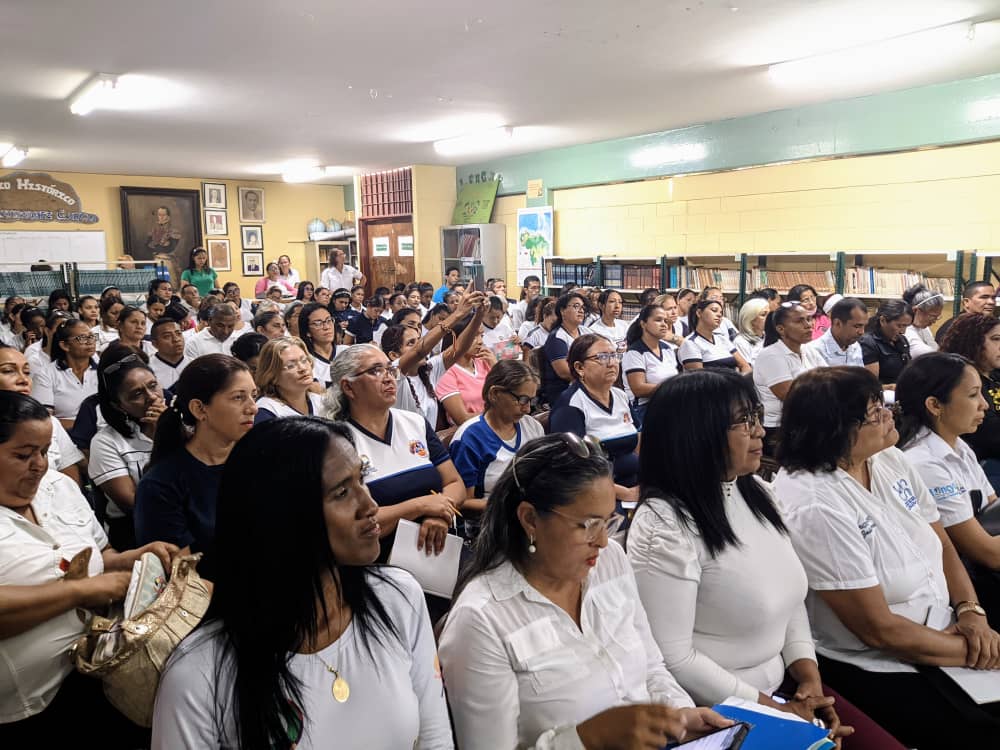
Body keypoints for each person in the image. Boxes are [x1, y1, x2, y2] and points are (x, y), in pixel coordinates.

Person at [152, 417, 452, 748]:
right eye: (342, 492)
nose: (370, 506)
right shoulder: (198, 673)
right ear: (281, 516)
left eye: (362, 479)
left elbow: (435, 738)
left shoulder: (398, 596)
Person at [439, 433, 732, 750]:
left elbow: (651, 667)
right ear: (530, 519)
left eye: (608, 522)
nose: (603, 541)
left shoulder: (609, 562)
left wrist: (678, 715)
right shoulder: (482, 620)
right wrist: (587, 738)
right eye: (589, 525)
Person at [628, 370, 863, 746]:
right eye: (744, 420)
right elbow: (673, 657)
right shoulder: (664, 525)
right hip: (710, 715)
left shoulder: (758, 493)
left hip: (780, 694)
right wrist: (776, 712)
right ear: (698, 433)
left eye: (756, 416)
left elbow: (790, 599)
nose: (760, 431)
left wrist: (808, 679)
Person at [774, 366, 1000, 748]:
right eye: (874, 412)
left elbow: (942, 543)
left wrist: (970, 612)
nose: (888, 414)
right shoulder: (815, 504)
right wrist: (981, 652)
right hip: (877, 660)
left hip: (944, 627)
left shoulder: (888, 458)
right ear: (836, 430)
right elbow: (878, 630)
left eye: (883, 404)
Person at [0, 391, 176, 746]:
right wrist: (79, 592)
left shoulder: (58, 487)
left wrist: (134, 557)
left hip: (100, 673)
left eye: (44, 451)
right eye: (23, 455)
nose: (39, 465)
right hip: (25, 704)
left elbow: (99, 554)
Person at [321, 345, 464, 566]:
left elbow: (454, 482)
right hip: (377, 564)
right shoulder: (336, 442)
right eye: (375, 371)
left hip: (438, 555)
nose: (388, 378)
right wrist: (419, 506)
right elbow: (351, 522)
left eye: (389, 369)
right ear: (349, 387)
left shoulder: (414, 422)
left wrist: (439, 514)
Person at [897, 352, 1000, 624]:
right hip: (960, 590)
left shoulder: (958, 446)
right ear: (934, 405)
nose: (984, 405)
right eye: (973, 395)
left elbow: (993, 508)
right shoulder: (924, 463)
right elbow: (987, 552)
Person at [134, 355, 256, 582]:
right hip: (212, 599)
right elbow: (184, 580)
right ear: (199, 409)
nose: (252, 408)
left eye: (253, 396)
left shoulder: (260, 459)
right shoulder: (162, 484)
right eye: (239, 397)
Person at [448, 360, 545, 522]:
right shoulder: (470, 438)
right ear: (494, 394)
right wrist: (512, 506)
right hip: (491, 522)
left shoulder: (532, 427)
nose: (527, 409)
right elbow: (462, 502)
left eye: (531, 400)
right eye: (522, 399)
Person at [551, 334, 639, 502]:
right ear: (580, 367)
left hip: (635, 483)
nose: (612, 363)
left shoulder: (620, 395)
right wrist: (626, 494)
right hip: (598, 494)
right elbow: (574, 468)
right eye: (602, 357)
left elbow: (639, 440)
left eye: (614, 355)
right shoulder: (571, 405)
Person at [90, 351, 164, 549]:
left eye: (153, 385)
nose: (152, 397)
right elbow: (134, 505)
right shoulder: (106, 442)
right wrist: (163, 438)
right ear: (118, 405)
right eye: (137, 394)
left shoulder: (187, 425)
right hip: (135, 532)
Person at [383, 292, 487, 428]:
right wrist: (458, 314)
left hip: (427, 441)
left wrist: (479, 315)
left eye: (419, 340)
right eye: (411, 343)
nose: (418, 345)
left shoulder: (428, 372)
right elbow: (419, 351)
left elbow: (460, 348)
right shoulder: (393, 374)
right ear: (394, 355)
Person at [0, 344, 85, 484]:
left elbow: (69, 474)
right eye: (8, 371)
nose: (23, 380)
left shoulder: (49, 422)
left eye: (27, 372)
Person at [753, 303, 827, 453]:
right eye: (800, 321)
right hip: (780, 429)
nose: (808, 325)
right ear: (781, 329)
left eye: (809, 319)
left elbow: (831, 379)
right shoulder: (771, 355)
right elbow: (792, 397)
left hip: (807, 421)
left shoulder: (808, 349)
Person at [940, 313, 1000, 489]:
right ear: (973, 341)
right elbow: (988, 435)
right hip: (980, 461)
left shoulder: (995, 375)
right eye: (996, 339)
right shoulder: (960, 380)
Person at [31, 320, 98, 430]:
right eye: (82, 338)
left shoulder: (103, 372)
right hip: (65, 435)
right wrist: (86, 425)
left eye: (92, 336)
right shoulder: (45, 375)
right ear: (65, 345)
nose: (90, 341)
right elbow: (43, 420)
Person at [622, 305, 679, 428]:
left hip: (669, 404)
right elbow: (638, 389)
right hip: (644, 410)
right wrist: (672, 388)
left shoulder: (667, 349)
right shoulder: (635, 352)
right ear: (643, 324)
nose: (664, 325)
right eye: (658, 320)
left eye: (666, 321)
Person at [435, 315, 495, 426]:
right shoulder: (446, 373)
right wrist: (500, 412)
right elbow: (462, 418)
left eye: (481, 336)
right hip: (472, 430)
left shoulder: (485, 360)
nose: (480, 342)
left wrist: (496, 366)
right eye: (474, 336)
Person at [539, 292, 593, 405]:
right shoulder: (557, 337)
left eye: (583, 307)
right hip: (563, 390)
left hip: (586, 382)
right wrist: (594, 374)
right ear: (562, 311)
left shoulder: (586, 331)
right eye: (576, 306)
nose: (581, 311)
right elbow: (565, 372)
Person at [253, 337, 324, 422]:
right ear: (272, 376)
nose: (303, 368)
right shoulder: (266, 411)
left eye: (304, 360)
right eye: (290, 366)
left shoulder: (321, 402)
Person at [679, 299, 751, 373]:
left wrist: (742, 378)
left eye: (721, 313)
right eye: (714, 310)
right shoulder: (690, 343)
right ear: (699, 313)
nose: (719, 315)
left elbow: (745, 366)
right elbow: (698, 377)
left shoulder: (722, 338)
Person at [859, 299, 912, 387]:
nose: (903, 331)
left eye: (906, 326)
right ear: (883, 320)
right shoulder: (868, 343)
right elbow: (871, 385)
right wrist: (890, 387)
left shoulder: (902, 340)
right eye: (899, 326)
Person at [804, 296, 868, 367]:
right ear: (837, 323)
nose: (862, 332)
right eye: (857, 326)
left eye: (864, 326)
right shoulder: (814, 351)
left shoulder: (855, 346)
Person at [298, 301, 337, 387]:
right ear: (307, 331)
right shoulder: (305, 362)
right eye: (318, 323)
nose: (326, 327)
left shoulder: (346, 351)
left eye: (329, 320)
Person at [147, 317, 190, 392]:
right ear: (155, 344)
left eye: (178, 334)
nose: (176, 339)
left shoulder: (195, 364)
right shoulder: (148, 371)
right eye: (167, 336)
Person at [902, 284, 945, 358]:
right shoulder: (904, 330)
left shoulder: (923, 327)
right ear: (915, 310)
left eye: (937, 317)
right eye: (932, 316)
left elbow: (936, 348)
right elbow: (928, 354)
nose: (934, 321)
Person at [588, 289, 629, 353]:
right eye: (612, 301)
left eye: (620, 302)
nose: (617, 306)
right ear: (601, 305)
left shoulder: (624, 325)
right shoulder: (593, 331)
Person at [734, 296, 769, 366]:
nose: (769, 318)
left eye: (769, 314)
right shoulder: (741, 341)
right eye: (763, 315)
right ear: (751, 319)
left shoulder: (771, 337)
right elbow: (748, 369)